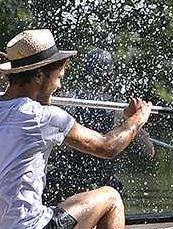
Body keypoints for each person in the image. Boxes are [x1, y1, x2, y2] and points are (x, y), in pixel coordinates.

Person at [0, 29, 152, 229]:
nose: (59, 87)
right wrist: (136, 119)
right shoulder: (46, 117)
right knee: (111, 196)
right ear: (39, 77)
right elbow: (107, 147)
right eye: (58, 78)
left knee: (77, 209)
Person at [43, 48, 155, 205]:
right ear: (110, 76)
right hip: (99, 187)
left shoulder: (64, 104)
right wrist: (135, 119)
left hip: (61, 185)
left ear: (83, 74)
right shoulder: (118, 112)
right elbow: (147, 153)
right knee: (114, 191)